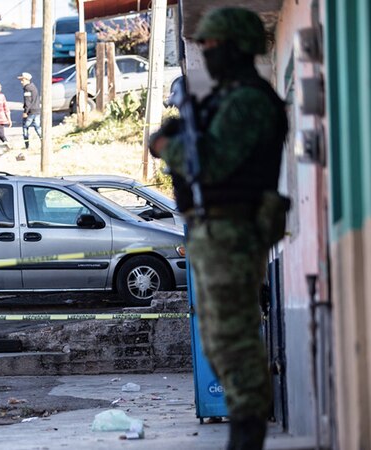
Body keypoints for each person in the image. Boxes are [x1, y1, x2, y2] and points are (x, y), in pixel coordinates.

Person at [148, 7, 289, 449]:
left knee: (235, 340)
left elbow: (211, 164)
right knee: (219, 341)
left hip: (234, 230)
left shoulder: (247, 100)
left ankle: (247, 436)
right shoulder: (224, 99)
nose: (206, 52)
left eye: (213, 45)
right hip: (214, 232)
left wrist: (170, 144)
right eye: (203, 44)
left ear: (237, 47)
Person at [17, 72, 42, 149]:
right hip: (37, 110)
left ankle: (27, 145)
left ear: (26, 80)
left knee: (25, 127)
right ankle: (43, 141)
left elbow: (28, 101)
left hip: (30, 111)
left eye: (22, 80)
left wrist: (25, 112)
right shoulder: (33, 86)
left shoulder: (27, 88)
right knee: (37, 127)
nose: (21, 82)